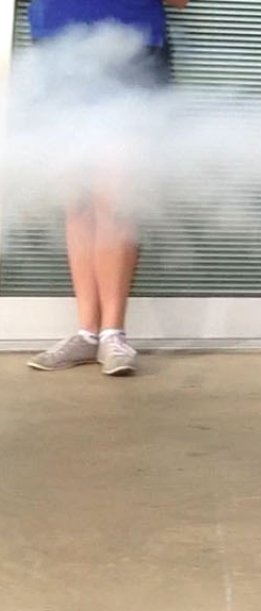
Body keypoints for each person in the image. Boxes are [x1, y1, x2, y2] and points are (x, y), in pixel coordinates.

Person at [25, 0, 187, 377]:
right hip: (55, 45)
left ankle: (113, 333)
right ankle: (86, 333)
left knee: (117, 192)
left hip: (132, 46)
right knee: (76, 196)